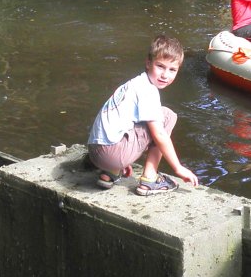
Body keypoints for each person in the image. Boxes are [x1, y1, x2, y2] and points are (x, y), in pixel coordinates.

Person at [86, 34, 200, 196]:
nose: (165, 75)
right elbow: (159, 134)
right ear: (148, 63)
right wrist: (178, 167)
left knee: (147, 120)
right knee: (167, 115)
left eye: (172, 69)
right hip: (111, 153)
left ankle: (110, 173)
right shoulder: (148, 91)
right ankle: (150, 179)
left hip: (95, 152)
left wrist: (120, 158)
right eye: (160, 66)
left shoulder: (133, 84)